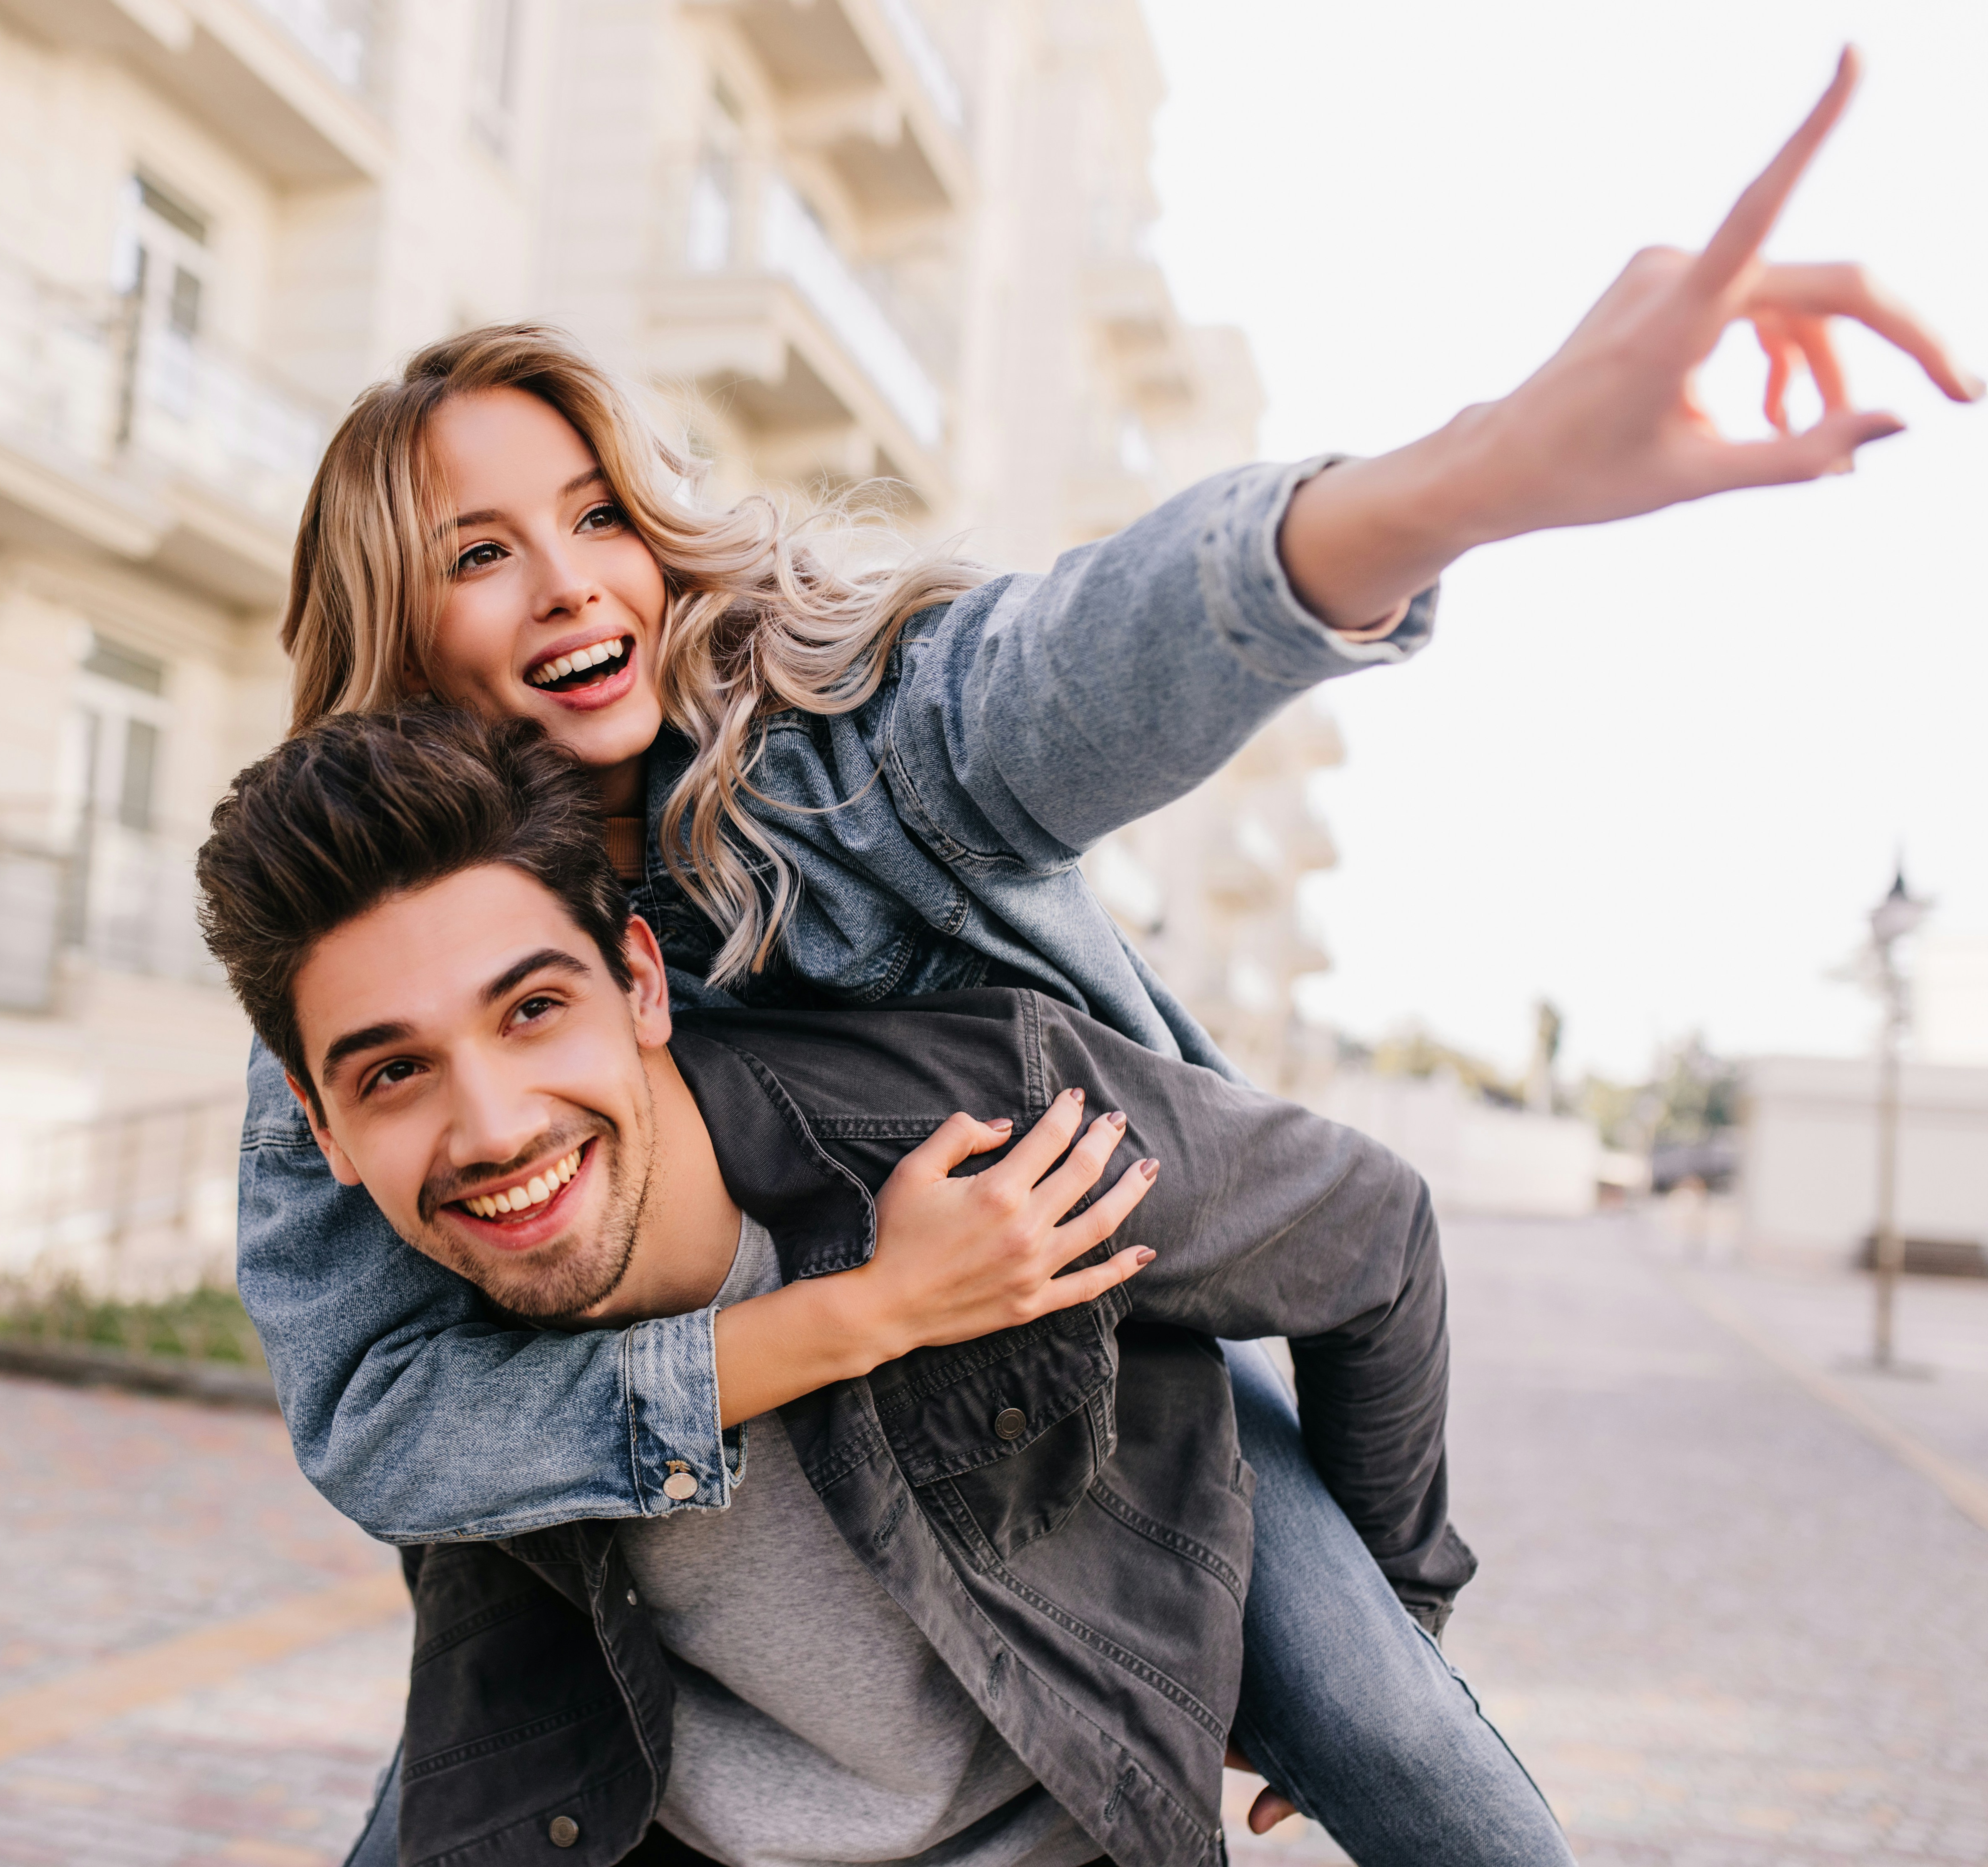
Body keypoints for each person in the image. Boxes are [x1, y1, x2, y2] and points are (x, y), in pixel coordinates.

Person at [233, 50, 1973, 1863]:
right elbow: (380, 1416)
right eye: (484, 555)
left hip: (1078, 1362)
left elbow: (1077, 659)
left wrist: (1472, 478)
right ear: (394, 620)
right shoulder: (354, 983)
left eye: (597, 516)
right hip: (677, 1502)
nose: (575, 582)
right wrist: (842, 1318)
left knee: (1403, 1737)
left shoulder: (831, 754)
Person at [198, 706, 1500, 1867]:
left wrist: (1380, 1643)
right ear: (322, 1136)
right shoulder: (432, 1371)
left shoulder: (991, 1138)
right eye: (391, 1075)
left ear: (642, 984)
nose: (490, 1128)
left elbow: (1373, 1235)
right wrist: (868, 1313)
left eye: (533, 1011)